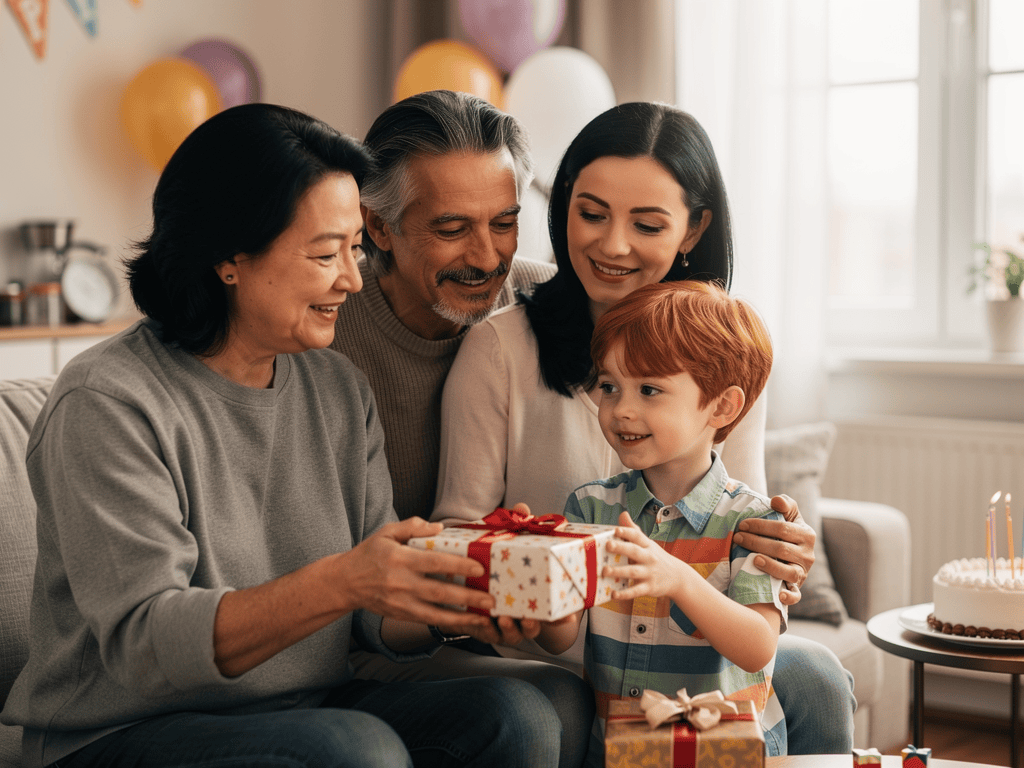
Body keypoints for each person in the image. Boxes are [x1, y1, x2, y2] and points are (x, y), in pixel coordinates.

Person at [0, 103, 563, 768]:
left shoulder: (336, 387)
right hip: (118, 732)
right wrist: (344, 581)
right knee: (356, 749)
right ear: (229, 259)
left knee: (522, 713)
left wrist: (457, 599)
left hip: (302, 711)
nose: (352, 278)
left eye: (353, 249)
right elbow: (146, 647)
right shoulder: (108, 402)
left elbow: (374, 617)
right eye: (326, 254)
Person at [432, 101, 855, 754]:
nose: (613, 245)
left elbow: (736, 521)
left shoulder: (724, 357)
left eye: (648, 224)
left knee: (818, 674)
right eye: (592, 213)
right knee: (561, 705)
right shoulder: (500, 350)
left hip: (691, 652)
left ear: (693, 229)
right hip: (557, 657)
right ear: (563, 206)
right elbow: (459, 534)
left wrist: (779, 542)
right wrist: (521, 578)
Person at [536, 280, 786, 761]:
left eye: (649, 390)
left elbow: (758, 646)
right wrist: (536, 597)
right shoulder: (590, 508)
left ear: (722, 407)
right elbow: (560, 638)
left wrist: (679, 580)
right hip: (617, 749)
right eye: (609, 387)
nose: (621, 410)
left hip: (723, 752)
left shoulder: (753, 521)